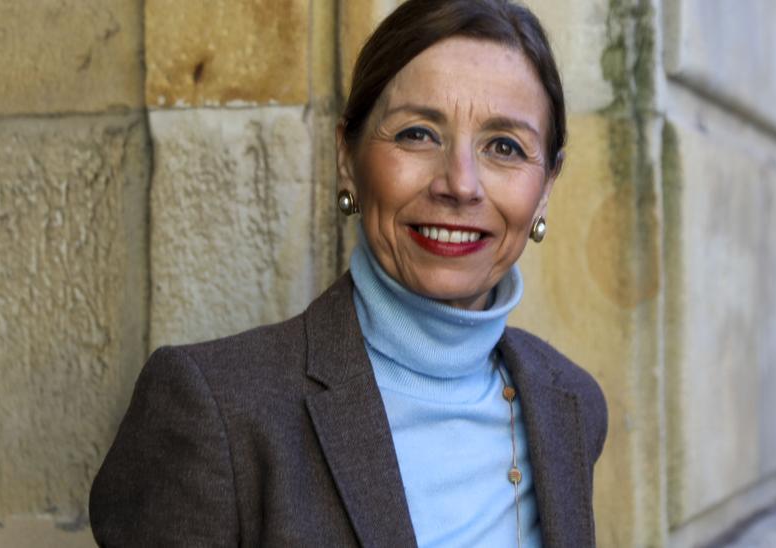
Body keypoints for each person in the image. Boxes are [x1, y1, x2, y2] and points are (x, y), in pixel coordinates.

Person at [88, 0, 607, 546]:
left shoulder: (569, 405)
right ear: (347, 157)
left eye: (504, 146)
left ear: (546, 186)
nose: (460, 183)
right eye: (417, 134)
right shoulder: (214, 412)